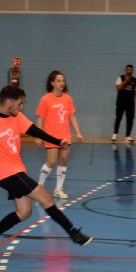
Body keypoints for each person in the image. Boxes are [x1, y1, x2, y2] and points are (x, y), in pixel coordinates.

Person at [0, 85, 92, 258]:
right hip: (5, 172)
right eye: (20, 104)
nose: (21, 107)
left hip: (16, 167)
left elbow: (35, 130)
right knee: (46, 197)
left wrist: (58, 141)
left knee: (24, 212)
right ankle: (74, 233)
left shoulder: (16, 116)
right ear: (9, 102)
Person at [36, 71, 84, 199]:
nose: (61, 83)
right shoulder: (45, 99)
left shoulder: (68, 98)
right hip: (50, 136)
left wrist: (78, 132)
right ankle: (39, 187)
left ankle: (58, 189)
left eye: (63, 80)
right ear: (52, 83)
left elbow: (72, 116)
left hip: (65, 136)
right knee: (51, 161)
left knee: (63, 161)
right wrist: (39, 136)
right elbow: (40, 119)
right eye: (58, 81)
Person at [112, 64, 136, 143]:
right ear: (125, 70)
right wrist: (126, 81)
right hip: (121, 102)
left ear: (132, 71)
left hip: (130, 103)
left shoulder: (135, 80)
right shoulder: (120, 78)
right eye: (128, 69)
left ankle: (128, 136)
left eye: (131, 70)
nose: (129, 71)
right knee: (118, 118)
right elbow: (118, 88)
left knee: (130, 119)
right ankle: (114, 134)